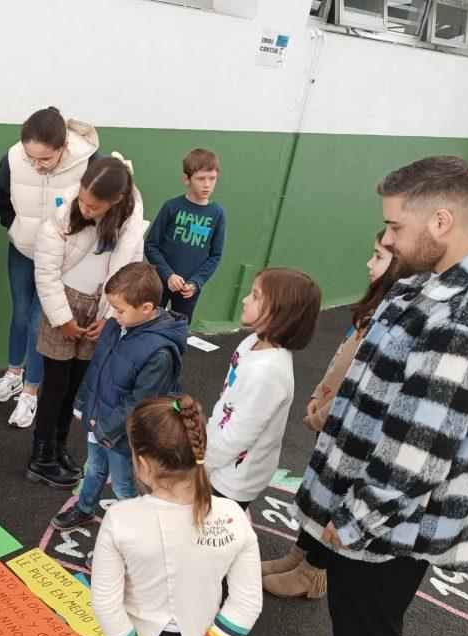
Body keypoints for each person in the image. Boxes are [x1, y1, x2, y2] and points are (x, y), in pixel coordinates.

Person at [272, 156, 468, 636]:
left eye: (395, 226)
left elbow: (420, 450)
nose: (387, 240)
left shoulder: (464, 321)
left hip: (393, 521)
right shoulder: (450, 277)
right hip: (384, 507)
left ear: (441, 222)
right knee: (356, 615)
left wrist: (354, 521)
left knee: (368, 625)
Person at [260, 231, 406, 600]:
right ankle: (299, 554)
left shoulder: (394, 317)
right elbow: (341, 359)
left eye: (378, 257)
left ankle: (313, 571)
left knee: (335, 495)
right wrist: (317, 396)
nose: (369, 264)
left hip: (346, 424)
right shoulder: (375, 307)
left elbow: (363, 384)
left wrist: (325, 413)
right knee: (319, 489)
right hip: (329, 410)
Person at [92, 396, 263, 636]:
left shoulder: (120, 520)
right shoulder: (233, 516)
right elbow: (247, 601)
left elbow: (105, 603)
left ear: (144, 464)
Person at [28, 155, 150, 488]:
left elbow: (127, 274)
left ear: (117, 201)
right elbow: (46, 274)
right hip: (62, 307)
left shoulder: (128, 223)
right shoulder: (63, 216)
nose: (85, 208)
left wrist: (110, 317)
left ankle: (59, 447)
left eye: (94, 206)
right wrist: (63, 319)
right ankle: (40, 458)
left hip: (99, 309)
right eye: (82, 199)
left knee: (76, 386)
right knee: (54, 386)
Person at [50, 262, 188, 530]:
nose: (114, 314)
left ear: (146, 308)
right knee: (93, 468)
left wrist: (105, 428)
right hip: (100, 421)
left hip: (124, 435)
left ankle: (132, 538)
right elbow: (98, 368)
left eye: (120, 309)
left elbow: (139, 404)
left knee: (124, 486)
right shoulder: (117, 325)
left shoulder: (159, 353)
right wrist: (83, 405)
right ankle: (85, 508)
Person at [0, 107, 101, 427]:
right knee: (21, 313)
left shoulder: (89, 161)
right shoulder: (12, 158)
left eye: (45, 160)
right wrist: (15, 227)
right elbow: (0, 199)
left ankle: (30, 393)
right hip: (22, 249)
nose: (35, 165)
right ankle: (13, 372)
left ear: (64, 148)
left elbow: (98, 209)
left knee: (40, 321)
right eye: (30, 157)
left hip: (62, 258)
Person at [205, 268, 321, 511]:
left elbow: (240, 434)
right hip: (218, 460)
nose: (246, 299)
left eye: (256, 296)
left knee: (213, 536)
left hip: (234, 478)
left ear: (281, 312)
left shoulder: (268, 372)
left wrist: (202, 464)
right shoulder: (251, 343)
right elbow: (227, 400)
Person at [144, 148, 226, 325]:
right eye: (200, 178)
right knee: (148, 326)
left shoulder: (217, 214)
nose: (207, 184)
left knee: (178, 330)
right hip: (159, 283)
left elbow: (215, 256)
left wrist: (196, 282)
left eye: (212, 178)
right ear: (186, 179)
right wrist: (168, 275)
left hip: (189, 289)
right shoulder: (171, 207)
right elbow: (151, 245)